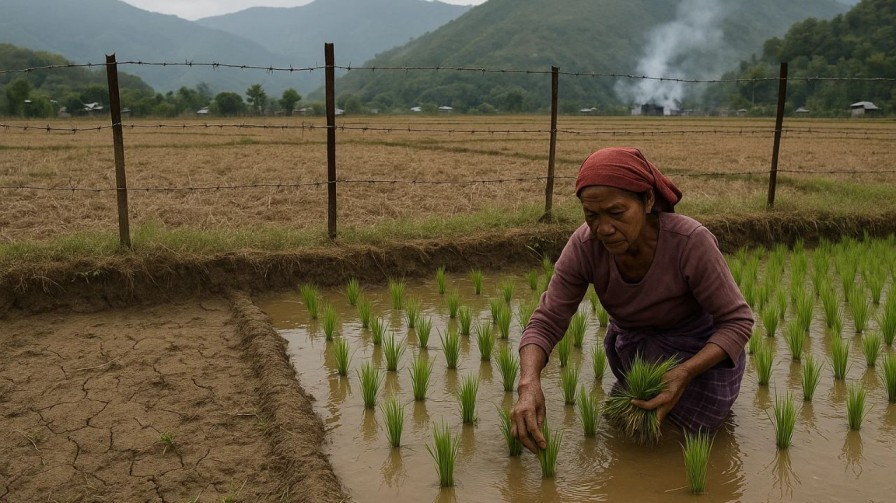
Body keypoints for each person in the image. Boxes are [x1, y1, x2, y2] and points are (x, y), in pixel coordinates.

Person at [511, 146, 753, 453]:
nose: (604, 228)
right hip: (638, 353)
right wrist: (528, 382)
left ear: (648, 200)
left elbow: (738, 321)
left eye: (616, 213)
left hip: (698, 355)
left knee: (693, 443)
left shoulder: (690, 242)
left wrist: (685, 372)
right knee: (632, 434)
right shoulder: (585, 245)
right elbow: (547, 321)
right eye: (591, 215)